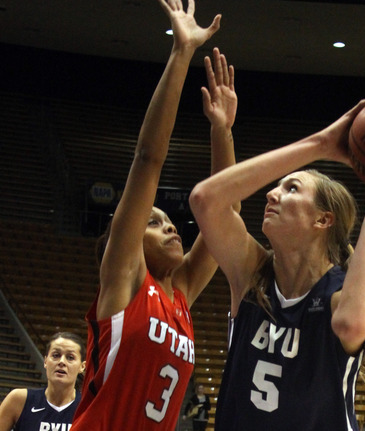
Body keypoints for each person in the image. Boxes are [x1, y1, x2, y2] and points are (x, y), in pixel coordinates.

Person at [189, 96, 365, 430]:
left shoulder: (339, 293)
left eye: (291, 188)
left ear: (323, 220)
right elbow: (204, 199)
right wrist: (321, 143)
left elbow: (352, 326)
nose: (271, 194)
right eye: (277, 187)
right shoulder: (252, 276)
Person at [71, 1, 238, 430]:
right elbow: (147, 159)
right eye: (153, 221)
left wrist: (222, 129)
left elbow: (227, 213)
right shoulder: (126, 278)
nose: (168, 226)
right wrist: (181, 55)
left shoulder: (180, 294)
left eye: (168, 221)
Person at [0, 332, 86, 431]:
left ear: (82, 366)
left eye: (70, 357)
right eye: (56, 355)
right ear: (45, 361)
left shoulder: (87, 407)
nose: (62, 361)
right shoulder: (19, 400)